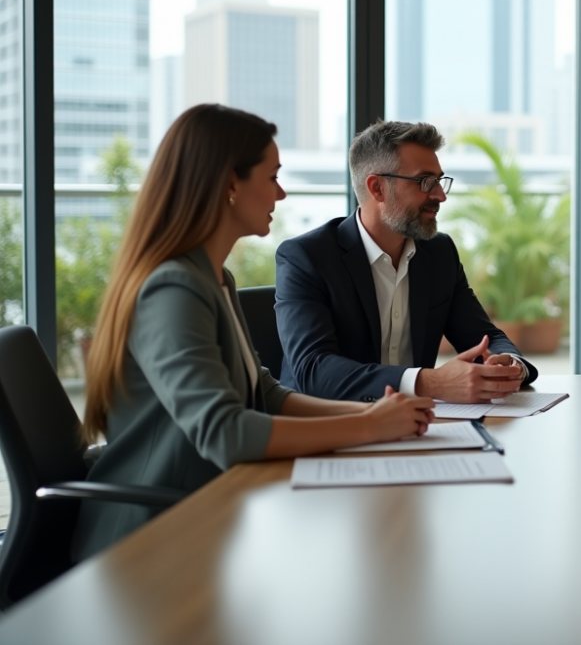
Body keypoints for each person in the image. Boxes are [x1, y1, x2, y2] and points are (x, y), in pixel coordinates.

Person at [74, 105, 434, 561]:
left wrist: (376, 415)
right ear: (230, 184)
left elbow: (265, 394)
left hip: (212, 510)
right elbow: (225, 432)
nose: (281, 193)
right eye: (272, 177)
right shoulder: (173, 288)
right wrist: (366, 426)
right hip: (152, 537)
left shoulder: (214, 279)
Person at [275, 120, 538, 404]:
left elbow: (484, 337)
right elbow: (313, 371)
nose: (440, 195)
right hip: (331, 422)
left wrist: (509, 365)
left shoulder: (439, 253)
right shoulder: (306, 257)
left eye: (439, 181)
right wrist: (431, 382)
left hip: (419, 421)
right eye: (425, 181)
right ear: (377, 188)